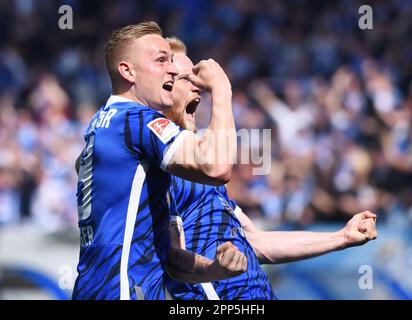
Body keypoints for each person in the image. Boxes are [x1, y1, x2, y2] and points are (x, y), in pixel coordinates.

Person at [163, 37, 378, 300]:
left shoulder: (199, 169)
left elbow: (257, 242)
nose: (198, 88)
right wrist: (214, 270)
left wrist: (341, 237)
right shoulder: (163, 169)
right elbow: (172, 260)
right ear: (163, 89)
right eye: (187, 79)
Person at [72, 21, 243, 300]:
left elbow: (171, 259)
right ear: (127, 71)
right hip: (122, 291)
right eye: (161, 60)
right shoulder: (136, 118)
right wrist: (222, 91)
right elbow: (217, 167)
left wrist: (216, 269)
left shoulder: (100, 124)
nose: (173, 69)